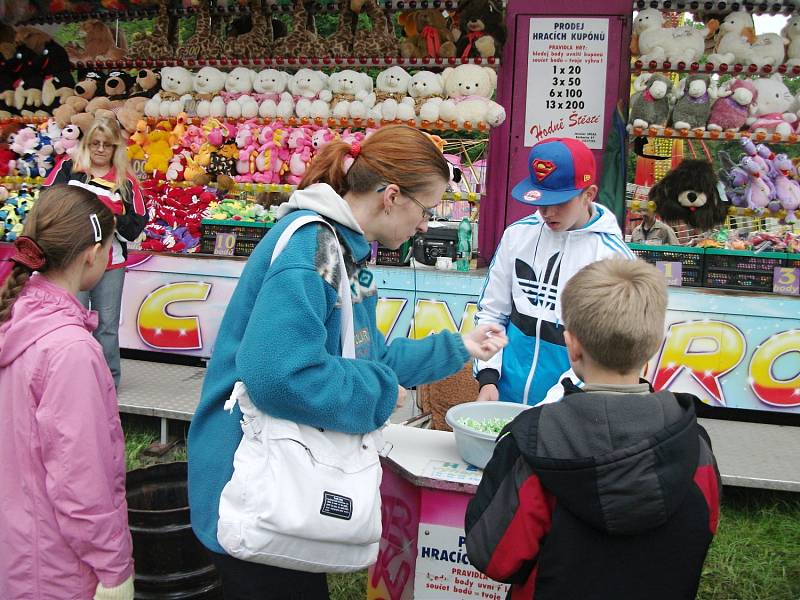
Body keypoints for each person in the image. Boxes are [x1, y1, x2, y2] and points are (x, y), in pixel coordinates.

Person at [187, 124, 508, 600]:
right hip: (249, 483)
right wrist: (378, 392)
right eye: (426, 209)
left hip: (286, 485)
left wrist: (459, 347)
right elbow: (280, 374)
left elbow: (367, 356)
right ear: (392, 196)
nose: (425, 225)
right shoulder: (312, 251)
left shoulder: (345, 254)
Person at [465, 258, 721, 600]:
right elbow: (701, 532)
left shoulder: (533, 441)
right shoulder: (695, 444)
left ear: (572, 345)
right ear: (656, 343)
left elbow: (493, 556)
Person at [0, 185, 134, 600]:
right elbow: (83, 484)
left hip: (16, 553)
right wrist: (114, 569)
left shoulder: (15, 316)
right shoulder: (70, 351)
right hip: (56, 569)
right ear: (93, 253)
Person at [474, 137, 636, 405]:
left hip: (572, 405)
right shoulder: (516, 236)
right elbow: (493, 312)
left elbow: (608, 351)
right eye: (540, 201)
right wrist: (489, 378)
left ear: (589, 194)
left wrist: (554, 404)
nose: (548, 212)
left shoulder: (614, 258)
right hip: (505, 394)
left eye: (560, 202)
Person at [44, 116, 147, 388]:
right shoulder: (68, 169)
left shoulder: (127, 183)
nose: (100, 150)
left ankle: (107, 383)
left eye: (107, 145)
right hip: (70, 264)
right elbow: (47, 202)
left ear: (116, 149)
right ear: (86, 144)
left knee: (106, 327)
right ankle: (67, 381)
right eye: (95, 143)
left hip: (111, 264)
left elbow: (136, 226)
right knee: (69, 324)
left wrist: (114, 221)